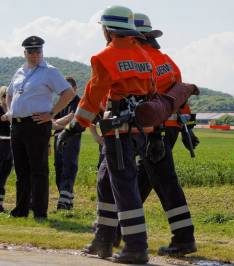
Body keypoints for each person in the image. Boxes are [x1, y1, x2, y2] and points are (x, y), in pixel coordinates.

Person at [57, 5, 199, 264]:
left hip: (119, 133)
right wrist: (156, 134)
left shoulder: (103, 58)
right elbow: (154, 96)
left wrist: (73, 127)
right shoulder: (146, 58)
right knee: (106, 182)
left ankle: (135, 246)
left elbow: (92, 99)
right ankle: (104, 240)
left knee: (124, 187)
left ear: (108, 30)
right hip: (144, 131)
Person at [133, 12, 197, 256]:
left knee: (165, 182)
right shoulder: (167, 60)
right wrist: (187, 128)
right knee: (143, 179)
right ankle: (119, 228)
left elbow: (148, 101)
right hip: (167, 130)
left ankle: (183, 238)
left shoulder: (142, 61)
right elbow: (181, 96)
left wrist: (154, 135)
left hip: (153, 132)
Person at [3, 36, 74, 219]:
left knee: (39, 170)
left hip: (37, 124)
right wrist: (10, 111)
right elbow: (10, 93)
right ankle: (21, 210)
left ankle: (40, 212)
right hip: (17, 125)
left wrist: (51, 114)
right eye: (31, 52)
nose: (35, 55)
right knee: (21, 171)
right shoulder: (19, 71)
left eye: (38, 51)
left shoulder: (50, 71)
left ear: (42, 52)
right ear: (25, 53)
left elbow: (68, 93)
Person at [53, 77, 82, 210]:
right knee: (58, 168)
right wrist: (56, 123)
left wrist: (55, 123)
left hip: (71, 139)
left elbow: (71, 120)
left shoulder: (79, 103)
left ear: (75, 89)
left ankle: (64, 202)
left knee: (68, 168)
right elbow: (53, 121)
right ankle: (67, 200)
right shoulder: (62, 103)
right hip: (57, 139)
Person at [0, 86, 13, 212]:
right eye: (4, 96)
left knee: (5, 174)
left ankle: (0, 202)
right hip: (1, 143)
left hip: (10, 145)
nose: (6, 98)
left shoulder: (13, 110)